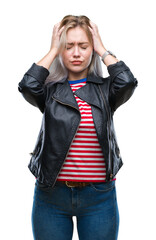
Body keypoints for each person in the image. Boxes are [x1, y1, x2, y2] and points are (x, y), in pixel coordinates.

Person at [18, 15, 138, 240]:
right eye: (68, 46)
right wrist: (53, 49)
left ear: (91, 49)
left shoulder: (106, 90)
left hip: (99, 196)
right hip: (51, 196)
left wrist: (102, 49)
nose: (76, 53)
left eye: (83, 46)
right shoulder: (49, 90)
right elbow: (28, 86)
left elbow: (127, 82)